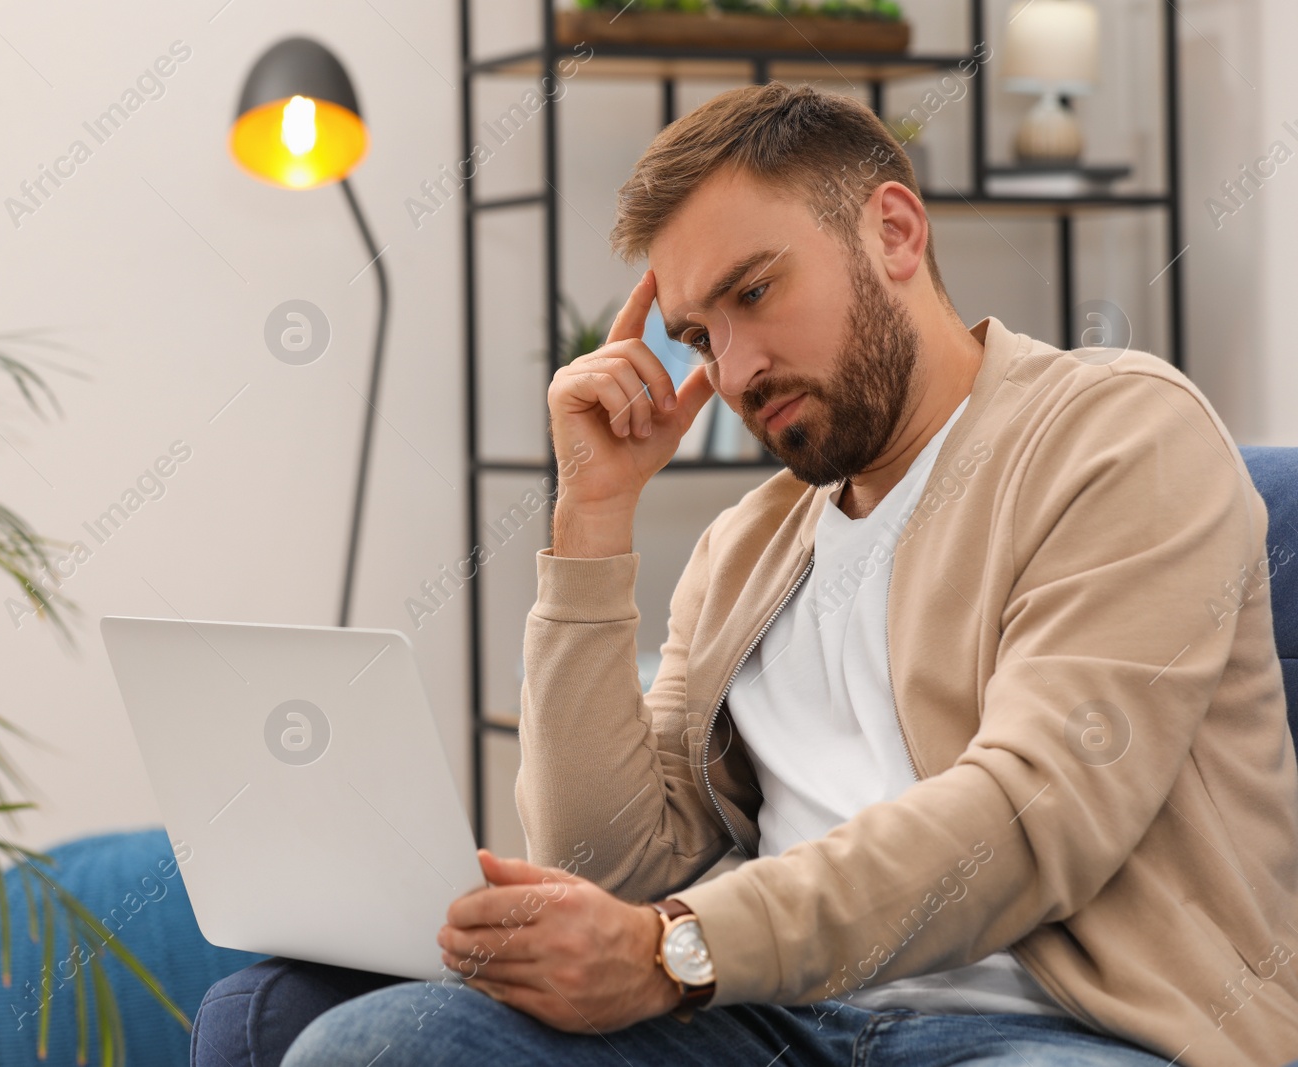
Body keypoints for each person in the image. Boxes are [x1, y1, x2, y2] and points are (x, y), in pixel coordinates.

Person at [192, 82, 1298, 1067]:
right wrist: (592, 518)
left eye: (754, 292)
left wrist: (682, 947)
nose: (732, 369)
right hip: (772, 1015)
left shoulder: (1115, 435)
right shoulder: (746, 548)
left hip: (1051, 1029)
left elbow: (1026, 815)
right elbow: (601, 863)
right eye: (694, 334)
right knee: (355, 1035)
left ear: (895, 232)